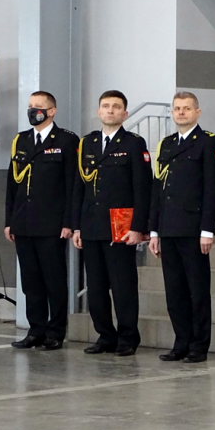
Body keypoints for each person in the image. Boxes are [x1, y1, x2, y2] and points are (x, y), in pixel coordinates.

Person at [72, 90, 152, 356]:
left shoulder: (133, 144)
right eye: (105, 106)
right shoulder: (87, 144)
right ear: (98, 112)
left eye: (116, 107)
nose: (110, 111)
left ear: (124, 114)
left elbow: (143, 189)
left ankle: (128, 338)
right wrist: (77, 226)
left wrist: (138, 227)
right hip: (92, 225)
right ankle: (105, 335)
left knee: (123, 286)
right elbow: (79, 188)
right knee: (96, 287)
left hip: (121, 226)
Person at [149, 91, 215, 364]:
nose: (181, 112)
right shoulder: (167, 145)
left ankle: (198, 346)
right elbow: (157, 190)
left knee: (197, 291)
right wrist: (154, 230)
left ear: (197, 113)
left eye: (186, 108)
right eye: (177, 108)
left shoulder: (207, 143)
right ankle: (180, 342)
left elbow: (213, 189)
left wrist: (208, 229)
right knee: (175, 292)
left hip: (193, 229)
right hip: (168, 228)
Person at [5, 91, 78, 351]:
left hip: (53, 224)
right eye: (30, 106)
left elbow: (72, 185)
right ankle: (35, 330)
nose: (33, 110)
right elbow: (12, 184)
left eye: (38, 106)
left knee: (54, 280)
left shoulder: (67, 141)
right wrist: (9, 220)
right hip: (24, 223)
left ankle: (55, 332)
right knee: (31, 281)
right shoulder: (21, 140)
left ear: (52, 111)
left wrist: (69, 222)